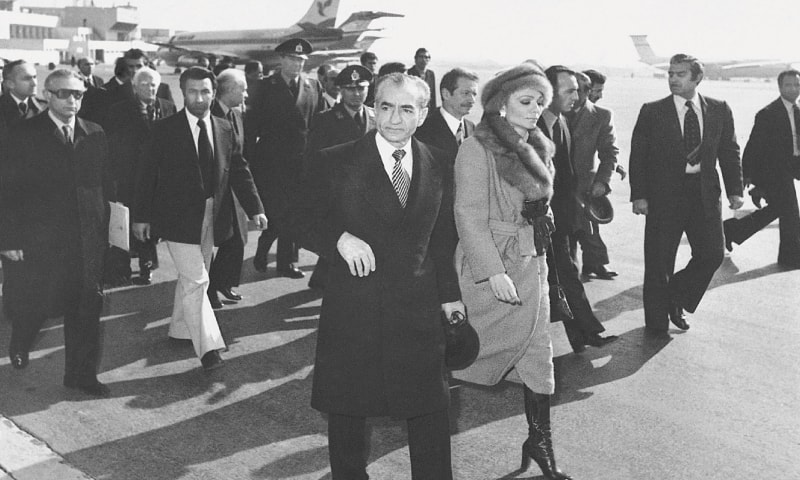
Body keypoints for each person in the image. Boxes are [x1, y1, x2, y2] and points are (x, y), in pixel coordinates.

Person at [296, 72, 464, 480]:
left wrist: (450, 296)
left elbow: (443, 237)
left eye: (406, 109)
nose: (393, 119)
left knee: (429, 410)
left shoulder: (440, 161)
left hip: (418, 309)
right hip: (355, 308)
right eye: (385, 106)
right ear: (373, 107)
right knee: (350, 411)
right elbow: (299, 215)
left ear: (423, 115)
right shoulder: (336, 159)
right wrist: (339, 238)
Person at [451, 64, 572, 480]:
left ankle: (539, 443)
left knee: (540, 354)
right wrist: (492, 270)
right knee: (465, 353)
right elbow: (467, 214)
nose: (536, 109)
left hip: (531, 261)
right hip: (494, 264)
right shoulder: (477, 147)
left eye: (541, 101)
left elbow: (538, 204)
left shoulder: (537, 144)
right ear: (500, 103)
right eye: (526, 101)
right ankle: (415, 412)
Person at [133, 67, 267, 372]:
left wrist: (255, 207)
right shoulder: (164, 129)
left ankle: (180, 329)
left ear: (213, 93)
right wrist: (140, 217)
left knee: (194, 276)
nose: (199, 98)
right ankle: (209, 348)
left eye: (205, 91)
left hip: (213, 213)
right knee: (198, 279)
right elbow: (145, 176)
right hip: (177, 218)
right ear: (182, 92)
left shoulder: (223, 127)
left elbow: (238, 170)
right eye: (192, 92)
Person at [0, 69, 112, 397]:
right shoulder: (24, 134)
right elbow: (7, 191)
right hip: (40, 239)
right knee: (35, 302)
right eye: (65, 93)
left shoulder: (95, 133)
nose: (72, 100)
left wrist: (113, 231)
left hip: (85, 239)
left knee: (87, 307)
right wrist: (7, 239)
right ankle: (21, 339)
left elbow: (106, 185)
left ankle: (81, 375)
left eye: (78, 94)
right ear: (48, 95)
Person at [629, 54, 744, 334]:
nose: (672, 79)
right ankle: (656, 326)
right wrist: (639, 195)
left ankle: (676, 296)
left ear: (697, 78)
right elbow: (638, 156)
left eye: (680, 74)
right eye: (670, 73)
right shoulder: (652, 111)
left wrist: (735, 190)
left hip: (704, 193)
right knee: (659, 262)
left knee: (712, 254)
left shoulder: (718, 109)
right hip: (663, 195)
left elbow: (729, 151)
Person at [539, 65, 616, 353]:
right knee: (557, 277)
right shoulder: (535, 126)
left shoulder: (559, 124)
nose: (578, 95)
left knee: (566, 273)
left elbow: (567, 176)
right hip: (538, 223)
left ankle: (584, 332)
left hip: (560, 218)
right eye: (570, 90)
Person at [247, 38, 323, 279]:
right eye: (292, 58)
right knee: (276, 214)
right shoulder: (263, 86)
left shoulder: (313, 87)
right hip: (271, 164)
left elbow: (318, 126)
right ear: (281, 59)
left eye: (301, 60)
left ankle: (287, 262)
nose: (297, 63)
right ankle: (263, 247)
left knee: (295, 214)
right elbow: (251, 128)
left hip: (301, 163)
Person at [303, 65, 375, 290]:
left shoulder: (375, 117)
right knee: (341, 241)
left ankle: (325, 280)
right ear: (341, 91)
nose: (356, 94)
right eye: (350, 89)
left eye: (361, 88)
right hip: (338, 195)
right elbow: (313, 161)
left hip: (369, 196)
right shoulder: (325, 120)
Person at [104, 67, 176, 286]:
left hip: (157, 179)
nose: (150, 88)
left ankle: (146, 265)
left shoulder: (168, 107)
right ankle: (122, 267)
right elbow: (114, 146)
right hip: (129, 177)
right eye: (144, 84)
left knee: (150, 223)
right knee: (126, 223)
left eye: (153, 84)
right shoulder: (119, 111)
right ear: (134, 87)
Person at [724, 69, 800, 268]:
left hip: (792, 166)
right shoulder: (768, 113)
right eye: (788, 85)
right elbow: (753, 146)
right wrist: (747, 174)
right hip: (773, 169)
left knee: (779, 208)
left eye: (797, 85)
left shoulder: (798, 111)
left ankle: (733, 230)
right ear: (780, 87)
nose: (793, 89)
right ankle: (790, 258)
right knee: (790, 212)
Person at [568, 71, 620, 279]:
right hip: (554, 185)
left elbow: (610, 152)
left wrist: (602, 181)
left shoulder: (601, 116)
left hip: (584, 186)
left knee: (589, 228)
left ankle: (594, 264)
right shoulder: (551, 112)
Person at [208, 68, 251, 309]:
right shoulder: (210, 114)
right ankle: (210, 290)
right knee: (219, 241)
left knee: (237, 240)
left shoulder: (234, 115)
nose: (247, 94)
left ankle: (224, 283)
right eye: (243, 89)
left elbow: (239, 156)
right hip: (217, 190)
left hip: (234, 189)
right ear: (231, 90)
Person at [415, 67, 478, 162]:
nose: (472, 100)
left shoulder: (471, 128)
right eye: (466, 93)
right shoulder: (423, 129)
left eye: (474, 94)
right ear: (446, 94)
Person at [584, 69, 627, 180]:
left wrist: (613, 166)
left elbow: (608, 150)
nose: (600, 96)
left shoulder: (601, 116)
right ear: (586, 90)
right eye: (597, 91)